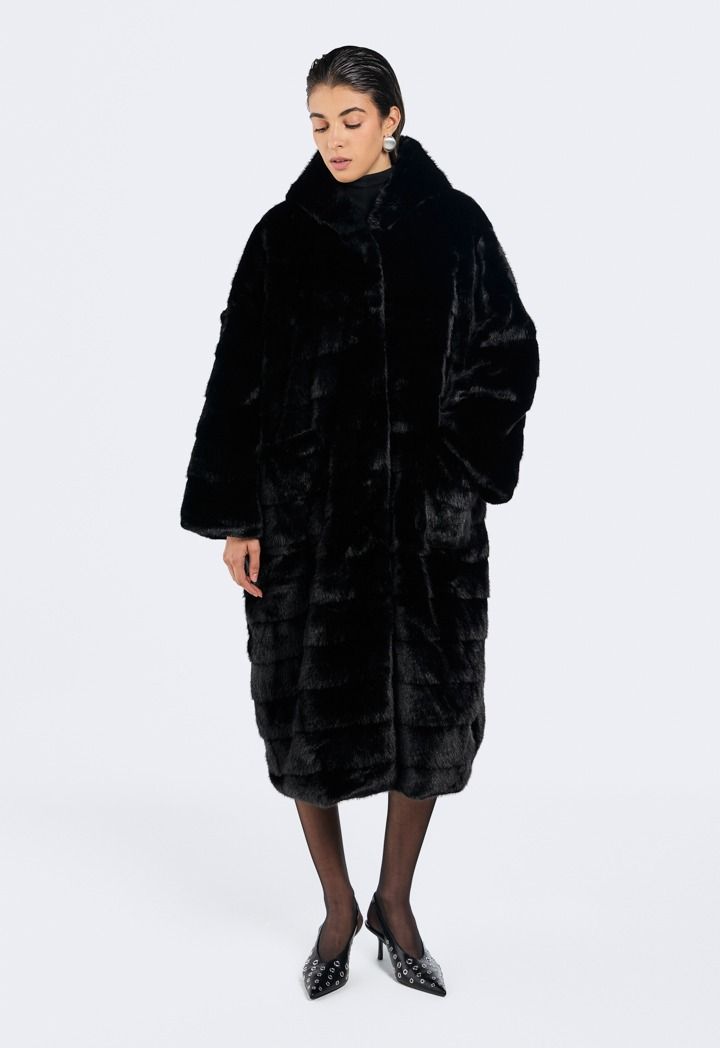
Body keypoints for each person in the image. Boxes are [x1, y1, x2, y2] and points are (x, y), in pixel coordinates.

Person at [180, 45, 540, 1000]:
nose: (333, 140)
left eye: (350, 119)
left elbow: (508, 351)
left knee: (432, 716)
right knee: (305, 720)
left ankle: (396, 903)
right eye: (318, 123)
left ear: (392, 119)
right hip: (306, 524)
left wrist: (456, 463)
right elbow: (236, 375)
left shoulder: (455, 227)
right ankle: (338, 909)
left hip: (426, 530)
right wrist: (237, 515)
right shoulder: (281, 236)